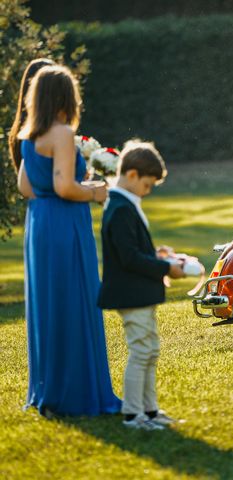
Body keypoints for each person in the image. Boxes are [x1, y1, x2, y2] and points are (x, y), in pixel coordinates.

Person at [17, 65, 122, 416]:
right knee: (74, 299)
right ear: (66, 96)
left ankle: (48, 389)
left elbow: (26, 187)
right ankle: (75, 393)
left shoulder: (29, 136)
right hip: (64, 225)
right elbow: (64, 187)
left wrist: (74, 184)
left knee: (49, 302)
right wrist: (96, 192)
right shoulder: (61, 133)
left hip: (40, 223)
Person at [98, 140, 185, 430]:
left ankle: (150, 411)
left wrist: (157, 255)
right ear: (132, 175)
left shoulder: (126, 203)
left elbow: (135, 250)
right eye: (147, 185)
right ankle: (132, 414)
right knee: (141, 352)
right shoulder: (121, 207)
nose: (148, 192)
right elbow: (129, 258)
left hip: (139, 292)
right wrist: (166, 268)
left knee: (151, 350)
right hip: (129, 293)